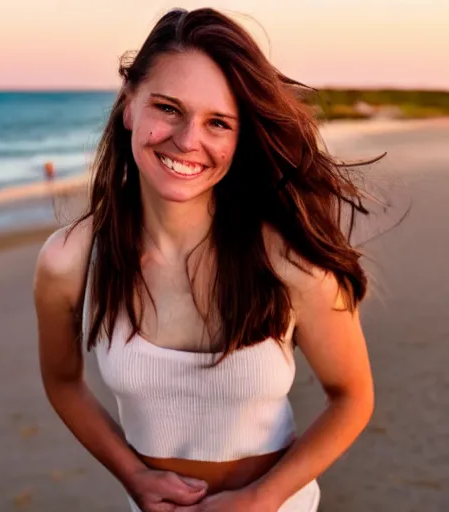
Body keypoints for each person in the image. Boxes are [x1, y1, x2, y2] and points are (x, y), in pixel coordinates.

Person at [33, 8, 375, 512]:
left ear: (240, 138)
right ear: (129, 106)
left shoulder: (289, 262)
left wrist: (262, 498)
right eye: (168, 108)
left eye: (218, 122)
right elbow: (63, 381)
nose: (188, 140)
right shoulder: (70, 261)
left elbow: (351, 397)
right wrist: (132, 476)